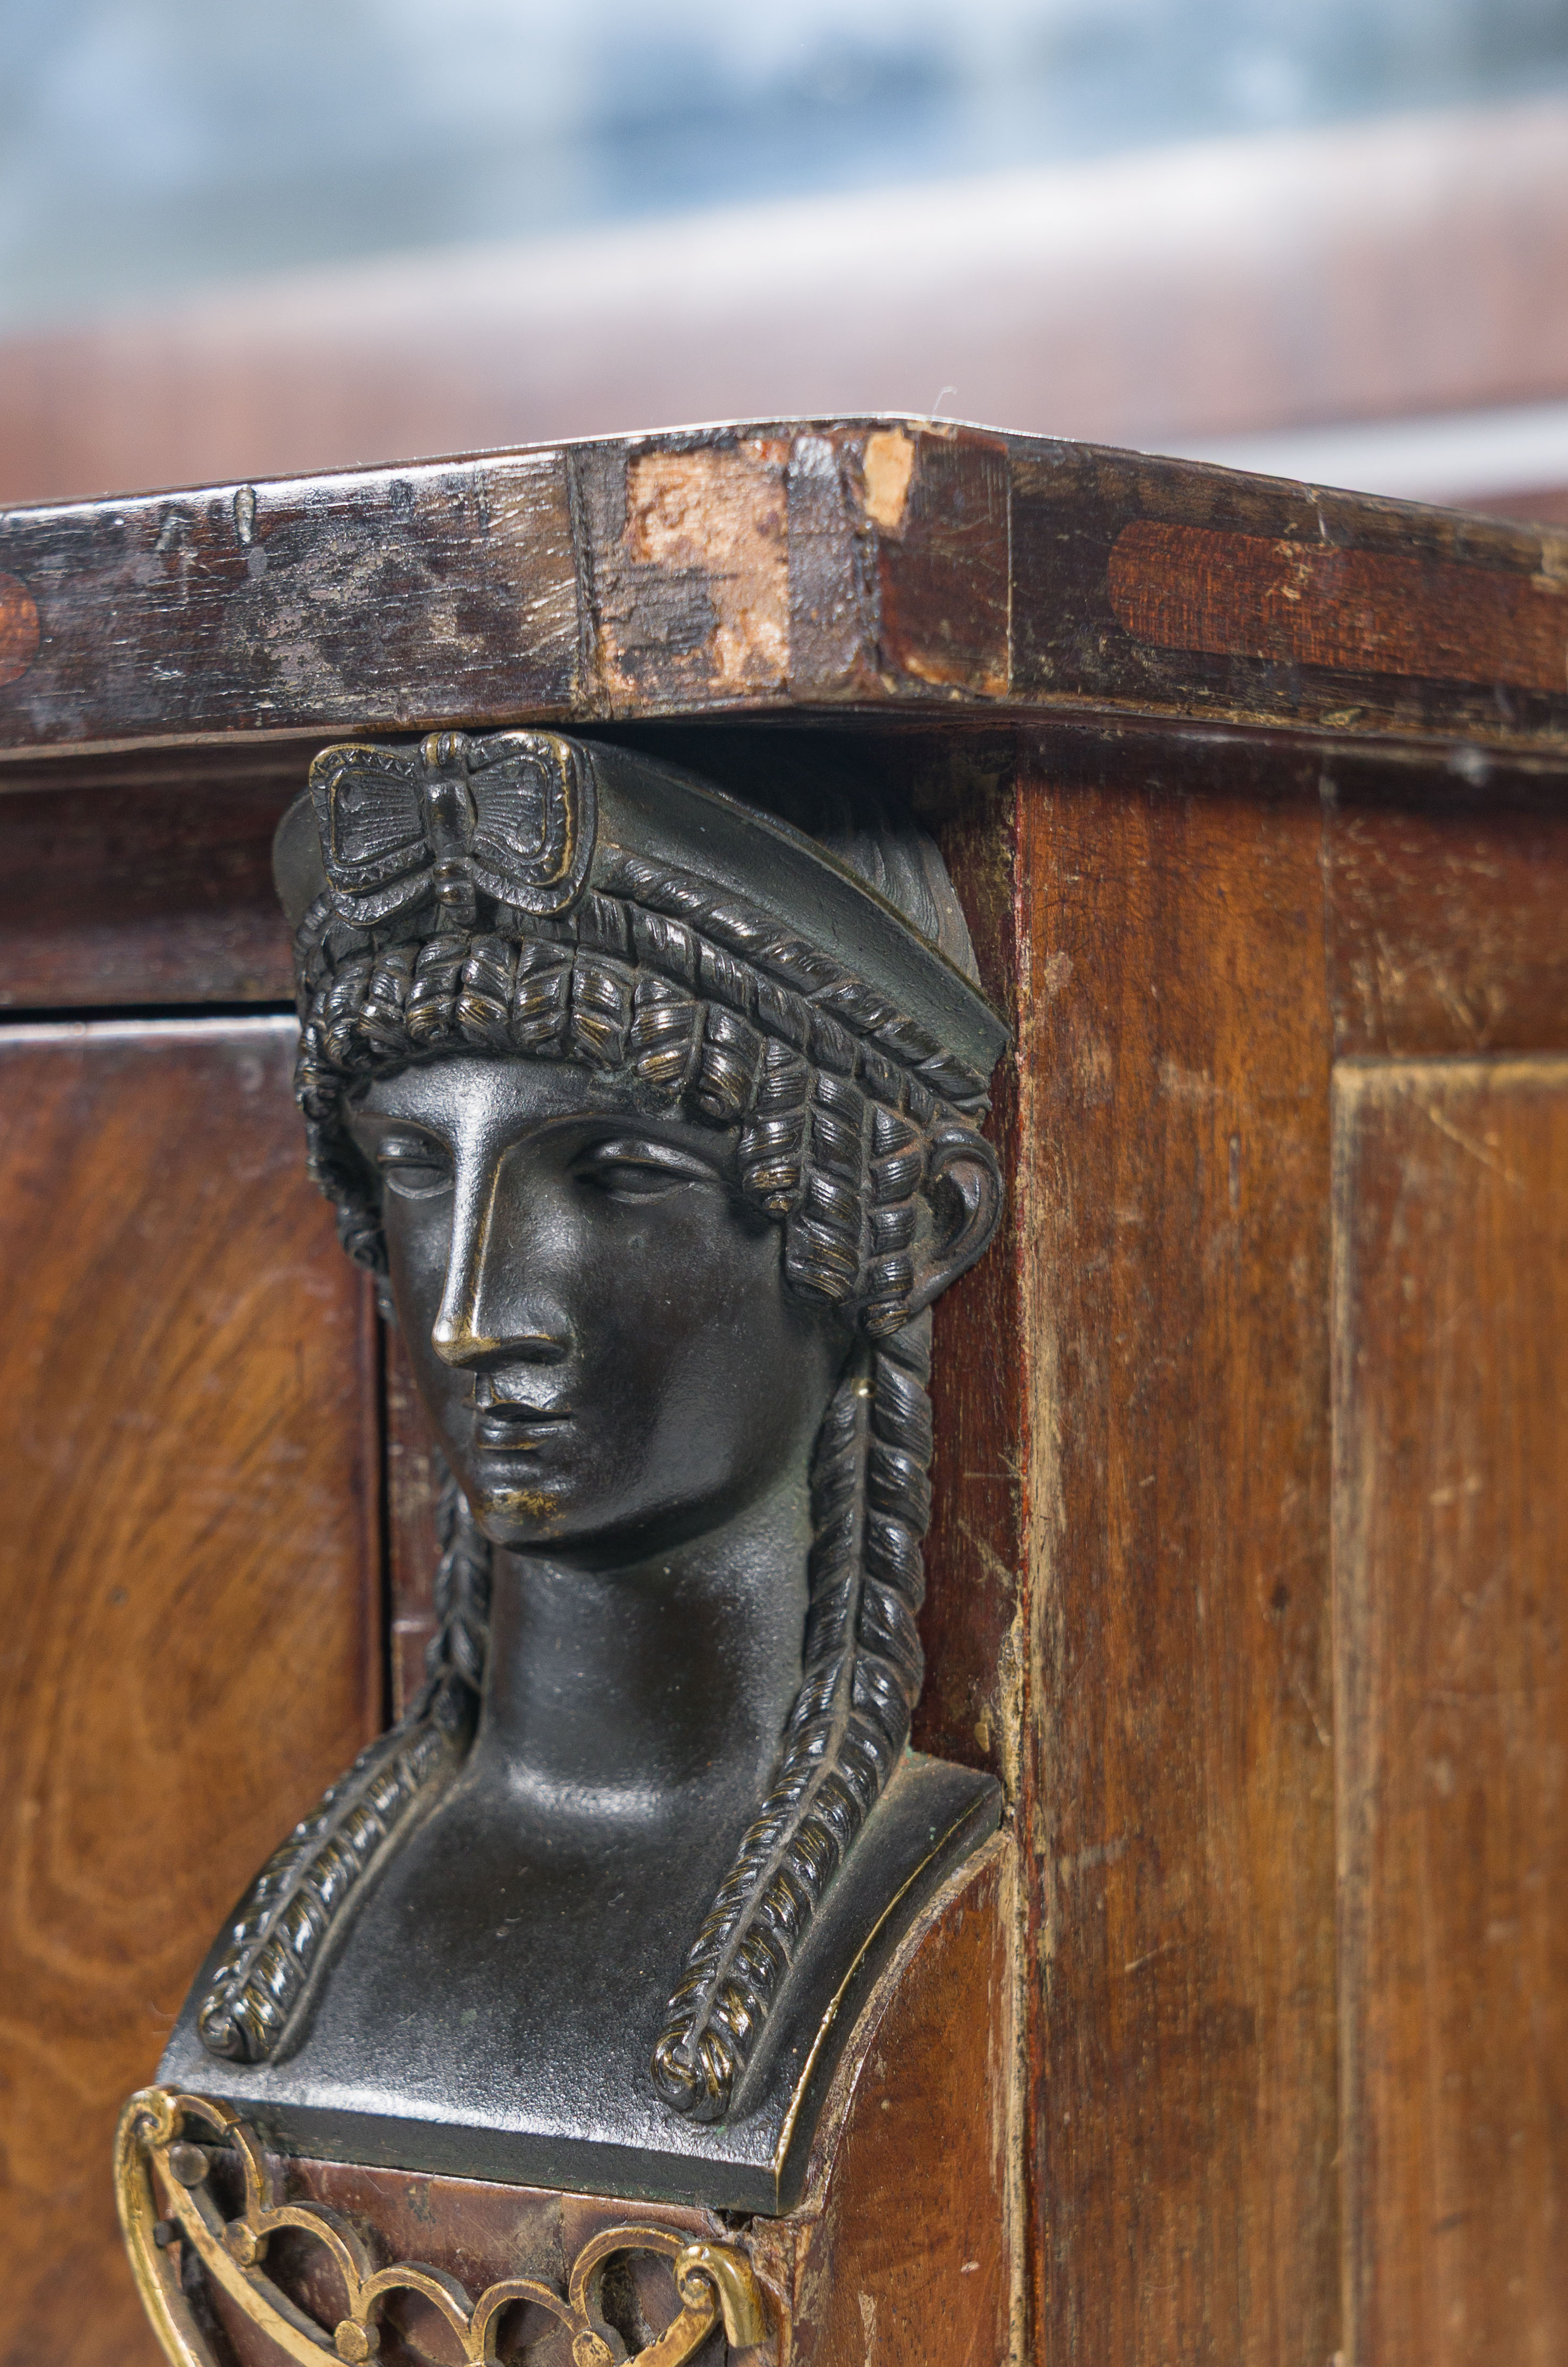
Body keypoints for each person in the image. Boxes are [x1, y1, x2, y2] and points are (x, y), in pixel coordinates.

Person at [160, 728, 1008, 2203]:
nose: (470, 1314)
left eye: (617, 1175)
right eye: (417, 1170)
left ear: (910, 1226)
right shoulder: (292, 1959)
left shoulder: (921, 1910)